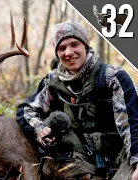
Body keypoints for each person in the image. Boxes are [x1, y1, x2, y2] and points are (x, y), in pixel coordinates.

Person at [16, 20, 138, 179]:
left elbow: (132, 122)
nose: (68, 52)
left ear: (85, 47)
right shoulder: (52, 81)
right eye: (61, 48)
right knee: (50, 168)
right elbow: (26, 110)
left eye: (74, 44)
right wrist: (40, 130)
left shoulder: (112, 77)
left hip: (122, 154)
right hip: (80, 157)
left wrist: (136, 161)